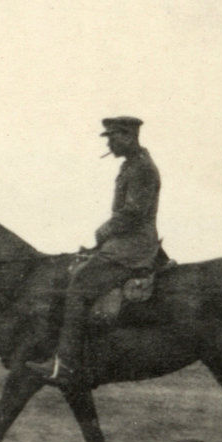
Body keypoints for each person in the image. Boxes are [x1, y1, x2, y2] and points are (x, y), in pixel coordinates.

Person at [26, 116, 161, 387]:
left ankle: (64, 365)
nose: (109, 142)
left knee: (78, 287)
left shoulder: (141, 169)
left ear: (128, 136)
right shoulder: (132, 166)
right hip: (122, 244)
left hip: (132, 247)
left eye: (113, 137)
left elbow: (133, 214)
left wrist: (103, 232)